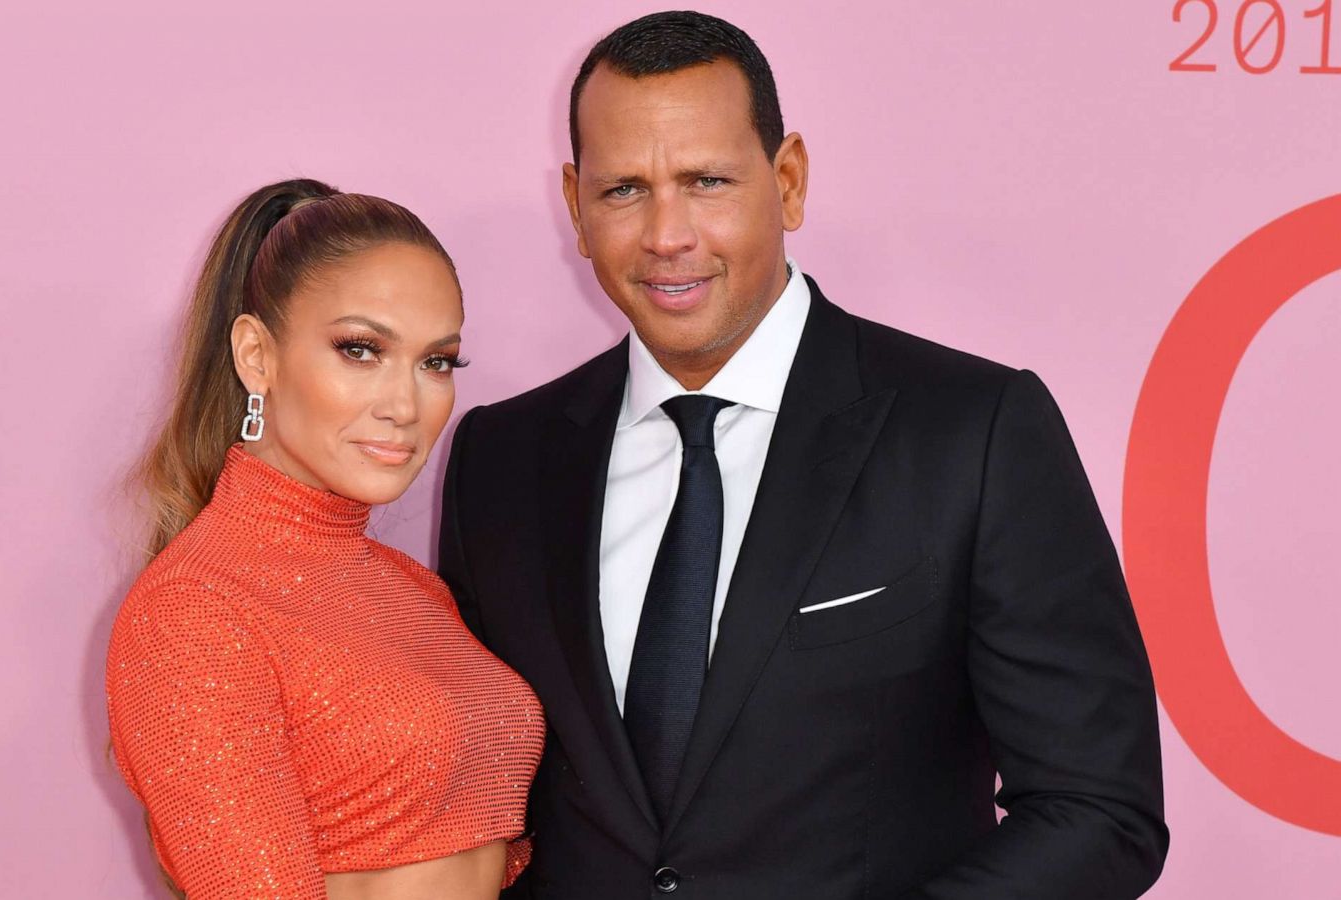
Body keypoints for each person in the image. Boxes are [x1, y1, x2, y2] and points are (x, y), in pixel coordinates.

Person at [438, 11, 1167, 899]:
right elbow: (480, 807)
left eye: (707, 180)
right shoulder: (498, 462)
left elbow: (1099, 808)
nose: (668, 234)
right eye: (624, 188)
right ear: (576, 205)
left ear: (787, 182)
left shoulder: (972, 431)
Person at [107, 179, 544, 900]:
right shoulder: (193, 611)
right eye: (361, 350)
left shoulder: (416, 590)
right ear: (256, 355)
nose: (405, 406)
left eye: (436, 362)